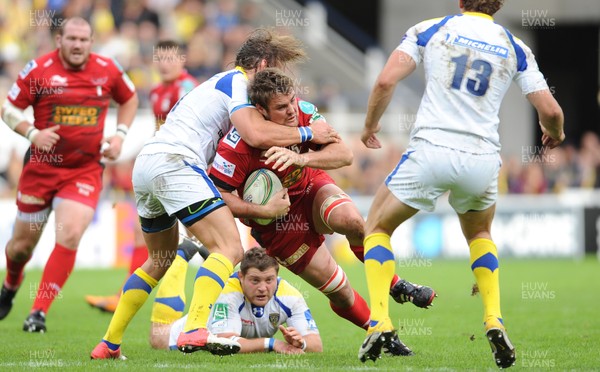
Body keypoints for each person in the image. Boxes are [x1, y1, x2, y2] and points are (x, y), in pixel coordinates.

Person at [90, 28, 339, 359]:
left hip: (149, 164)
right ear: (262, 63)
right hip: (177, 163)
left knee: (159, 260)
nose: (278, 78)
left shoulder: (213, 87)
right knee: (229, 247)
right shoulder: (236, 83)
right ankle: (195, 327)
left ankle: (109, 342)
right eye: (275, 68)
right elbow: (253, 133)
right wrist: (309, 131)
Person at [357, 0, 564, 367]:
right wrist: (554, 133)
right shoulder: (515, 47)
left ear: (460, 0)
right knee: (481, 234)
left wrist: (371, 125)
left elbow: (387, 79)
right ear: (498, 5)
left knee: (376, 226)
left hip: (432, 150)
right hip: (481, 159)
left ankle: (379, 319)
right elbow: (550, 111)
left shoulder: (430, 28)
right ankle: (493, 319)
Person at [209, 68, 436, 357]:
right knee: (339, 291)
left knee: (353, 222)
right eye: (281, 107)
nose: (291, 110)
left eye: (292, 100)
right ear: (260, 111)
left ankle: (395, 284)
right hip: (276, 226)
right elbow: (218, 197)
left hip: (310, 190)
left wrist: (301, 158)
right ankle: (381, 333)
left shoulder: (304, 114)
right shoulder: (236, 147)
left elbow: (345, 154)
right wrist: (262, 209)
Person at [0, 17, 139, 333]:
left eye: (84, 39)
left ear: (92, 41)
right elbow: (8, 109)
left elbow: (129, 98)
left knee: (71, 233)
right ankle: (10, 284)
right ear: (59, 40)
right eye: (72, 39)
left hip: (84, 170)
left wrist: (118, 135)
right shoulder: (39, 70)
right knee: (21, 247)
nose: (78, 45)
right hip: (40, 170)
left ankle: (38, 312)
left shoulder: (107, 69)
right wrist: (32, 133)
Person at [85, 40, 200, 313]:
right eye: (159, 58)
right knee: (143, 233)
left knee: (203, 239)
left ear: (182, 60)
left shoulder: (188, 89)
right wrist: (132, 156)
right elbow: (159, 134)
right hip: (165, 169)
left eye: (171, 58)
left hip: (185, 169)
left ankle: (227, 295)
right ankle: (123, 295)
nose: (164, 63)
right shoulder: (158, 91)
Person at [149, 247, 322, 354]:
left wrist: (301, 343)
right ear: (241, 277)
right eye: (255, 280)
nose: (263, 287)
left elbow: (316, 344)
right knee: (158, 337)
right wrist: (272, 343)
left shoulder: (290, 296)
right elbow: (227, 343)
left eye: (269, 280)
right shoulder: (228, 293)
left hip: (236, 328)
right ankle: (180, 258)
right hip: (197, 329)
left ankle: (209, 258)